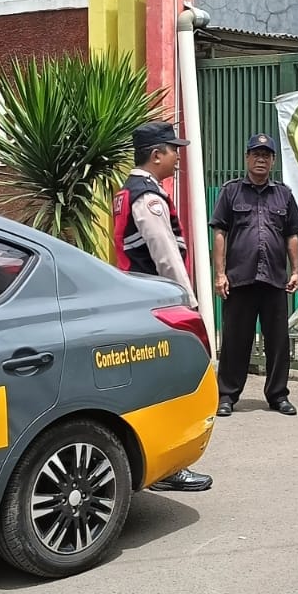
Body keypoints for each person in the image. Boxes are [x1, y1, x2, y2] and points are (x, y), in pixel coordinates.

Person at [112, 120, 214, 494]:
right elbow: (166, 255)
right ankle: (169, 468)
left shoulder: (128, 191)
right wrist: (188, 302)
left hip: (136, 301)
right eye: (174, 150)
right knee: (166, 389)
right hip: (156, 305)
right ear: (157, 155)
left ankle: (158, 467)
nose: (178, 157)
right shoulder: (148, 197)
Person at [211, 133, 298, 417]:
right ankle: (227, 396)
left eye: (266, 155)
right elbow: (220, 232)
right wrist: (220, 274)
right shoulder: (231, 192)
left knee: (278, 342)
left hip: (274, 279)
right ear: (247, 158)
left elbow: (292, 235)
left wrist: (296, 270)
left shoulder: (284, 194)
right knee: (235, 341)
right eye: (256, 154)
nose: (260, 159)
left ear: (273, 160)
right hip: (240, 279)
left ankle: (278, 395)